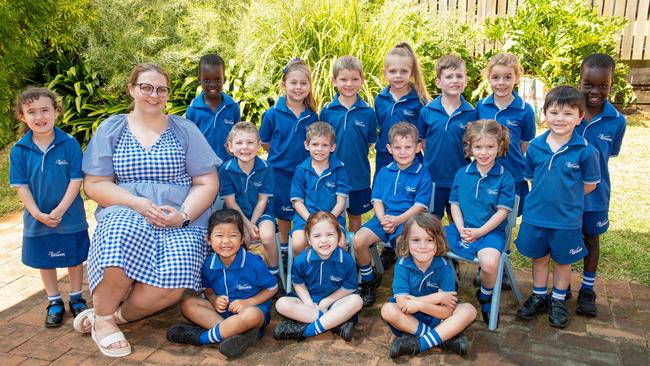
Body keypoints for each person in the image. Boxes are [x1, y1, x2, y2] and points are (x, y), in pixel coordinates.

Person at [75, 63, 220, 357]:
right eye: (146, 87)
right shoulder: (112, 128)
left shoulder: (184, 129)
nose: (154, 95)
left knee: (176, 275)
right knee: (120, 234)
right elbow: (95, 183)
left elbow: (207, 181)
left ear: (167, 94)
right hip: (126, 207)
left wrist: (183, 215)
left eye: (161, 89)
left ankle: (115, 318)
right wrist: (136, 203)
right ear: (132, 89)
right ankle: (102, 317)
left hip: (178, 215)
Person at [515, 86, 600, 328]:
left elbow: (590, 185)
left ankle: (559, 299)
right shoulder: (535, 146)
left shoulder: (585, 150)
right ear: (544, 114)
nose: (560, 119)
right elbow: (531, 177)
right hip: (536, 217)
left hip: (566, 219)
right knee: (539, 258)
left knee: (563, 261)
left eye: (567, 113)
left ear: (579, 117)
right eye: (554, 113)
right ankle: (540, 295)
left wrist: (567, 197)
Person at [9, 87, 90, 328]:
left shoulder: (70, 143)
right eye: (31, 112)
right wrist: (36, 213)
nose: (39, 116)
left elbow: (76, 179)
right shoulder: (20, 150)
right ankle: (54, 300)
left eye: (45, 110)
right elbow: (21, 185)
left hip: (70, 216)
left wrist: (60, 210)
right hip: (38, 218)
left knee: (74, 258)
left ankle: (77, 297)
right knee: (46, 260)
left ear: (56, 112)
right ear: (23, 117)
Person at [166, 209, 278, 358]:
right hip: (222, 314)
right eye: (219, 235)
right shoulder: (208, 265)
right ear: (209, 239)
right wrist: (213, 299)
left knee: (252, 315)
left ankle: (202, 338)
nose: (226, 241)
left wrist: (249, 302)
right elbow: (208, 288)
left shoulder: (253, 263)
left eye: (232, 236)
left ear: (242, 239)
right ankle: (236, 335)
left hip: (249, 313)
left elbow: (273, 288)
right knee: (188, 304)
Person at [353, 122, 433, 307]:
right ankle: (369, 279)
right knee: (358, 240)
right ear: (389, 149)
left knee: (404, 249)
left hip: (409, 222)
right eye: (398, 147)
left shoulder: (423, 174)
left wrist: (397, 221)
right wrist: (383, 220)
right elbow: (377, 200)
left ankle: (405, 289)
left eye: (408, 147)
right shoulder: (384, 171)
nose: (403, 152)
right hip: (383, 219)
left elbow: (420, 207)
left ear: (418, 147)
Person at [445, 120, 515, 324]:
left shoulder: (505, 178)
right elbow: (454, 205)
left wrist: (480, 232)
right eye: (478, 147)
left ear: (500, 147)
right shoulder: (462, 173)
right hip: (463, 228)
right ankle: (443, 288)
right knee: (428, 246)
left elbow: (502, 213)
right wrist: (461, 228)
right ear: (469, 147)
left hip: (491, 232)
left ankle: (485, 296)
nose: (483, 152)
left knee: (490, 264)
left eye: (490, 147)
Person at [381, 213, 476, 358]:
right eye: (416, 240)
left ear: (438, 242)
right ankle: (442, 338)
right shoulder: (402, 264)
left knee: (469, 311)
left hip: (438, 315)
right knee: (387, 310)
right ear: (406, 241)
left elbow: (446, 312)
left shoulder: (444, 267)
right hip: (410, 319)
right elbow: (402, 305)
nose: (423, 246)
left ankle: (420, 344)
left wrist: (419, 304)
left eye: (429, 240)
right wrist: (437, 297)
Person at [575, 53, 626, 317]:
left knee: (591, 239)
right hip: (566, 194)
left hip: (596, 195)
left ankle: (587, 288)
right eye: (588, 84)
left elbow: (610, 156)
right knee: (559, 237)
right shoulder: (569, 112)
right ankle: (553, 291)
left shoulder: (617, 121)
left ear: (611, 84)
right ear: (580, 81)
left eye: (602, 86)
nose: (595, 91)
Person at [260, 58, 319, 266]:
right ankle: (284, 249)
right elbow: (266, 142)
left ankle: (303, 246)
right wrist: (281, 158)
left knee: (302, 210)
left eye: (303, 83)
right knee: (283, 213)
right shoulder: (272, 115)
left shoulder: (313, 117)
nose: (298, 87)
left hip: (304, 174)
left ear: (309, 86)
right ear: (283, 84)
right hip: (280, 174)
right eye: (293, 83)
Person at [273, 211, 362, 342]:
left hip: (335, 304)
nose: (324, 240)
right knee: (281, 304)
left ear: (338, 236)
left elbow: (348, 288)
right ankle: (335, 324)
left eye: (330, 234)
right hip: (309, 305)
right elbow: (298, 283)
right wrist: (308, 302)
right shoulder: (302, 260)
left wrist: (327, 301)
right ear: (309, 239)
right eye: (317, 236)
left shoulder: (346, 260)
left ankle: (306, 331)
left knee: (356, 301)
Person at [416, 54, 478, 220]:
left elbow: (474, 145)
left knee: (458, 221)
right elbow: (423, 143)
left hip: (459, 179)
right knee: (430, 223)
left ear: (465, 81)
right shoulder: (427, 112)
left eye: (459, 76)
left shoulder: (471, 113)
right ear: (439, 82)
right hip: (432, 179)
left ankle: (455, 247)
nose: (454, 80)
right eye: (449, 76)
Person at [319, 56, 377, 233]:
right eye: (343, 79)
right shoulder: (327, 112)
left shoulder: (368, 112)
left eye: (354, 79)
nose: (349, 84)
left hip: (358, 176)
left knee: (355, 216)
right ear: (334, 81)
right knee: (332, 215)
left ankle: (354, 254)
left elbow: (368, 143)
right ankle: (336, 249)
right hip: (332, 175)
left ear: (362, 80)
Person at [219, 122, 280, 285]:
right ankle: (235, 275)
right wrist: (245, 225)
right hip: (234, 214)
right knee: (235, 237)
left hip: (261, 213)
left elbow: (262, 201)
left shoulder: (266, 168)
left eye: (250, 142)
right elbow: (230, 202)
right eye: (239, 143)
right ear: (230, 147)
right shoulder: (225, 170)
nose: (245, 147)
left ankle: (274, 273)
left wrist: (252, 224)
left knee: (266, 236)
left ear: (259, 145)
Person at [476, 53, 536, 216]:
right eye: (495, 77)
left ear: (516, 78)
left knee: (508, 218)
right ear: (488, 78)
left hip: (514, 173)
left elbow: (525, 144)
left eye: (507, 77)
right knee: (485, 215)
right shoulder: (481, 106)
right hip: (485, 173)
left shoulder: (525, 110)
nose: (501, 83)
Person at [290, 122, 350, 254]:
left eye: (325, 145)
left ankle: (336, 273)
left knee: (339, 244)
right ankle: (304, 272)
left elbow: (341, 202)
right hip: (306, 218)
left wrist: (328, 221)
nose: (319, 149)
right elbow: (297, 202)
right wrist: (312, 221)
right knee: (298, 243)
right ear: (307, 145)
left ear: (332, 147)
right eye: (315, 144)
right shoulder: (301, 170)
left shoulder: (339, 169)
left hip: (333, 217)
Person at [374, 42, 430, 174]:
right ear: (384, 73)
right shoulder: (380, 99)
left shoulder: (419, 100)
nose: (398, 75)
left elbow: (424, 136)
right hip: (384, 157)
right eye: (392, 71)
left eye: (403, 71)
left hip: (411, 158)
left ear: (411, 73)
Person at [185, 54, 241, 162]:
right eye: (206, 80)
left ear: (224, 80)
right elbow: (188, 140)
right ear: (199, 80)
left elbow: (238, 136)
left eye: (217, 80)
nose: (212, 84)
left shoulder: (232, 106)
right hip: (202, 166)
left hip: (228, 165)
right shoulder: (193, 109)